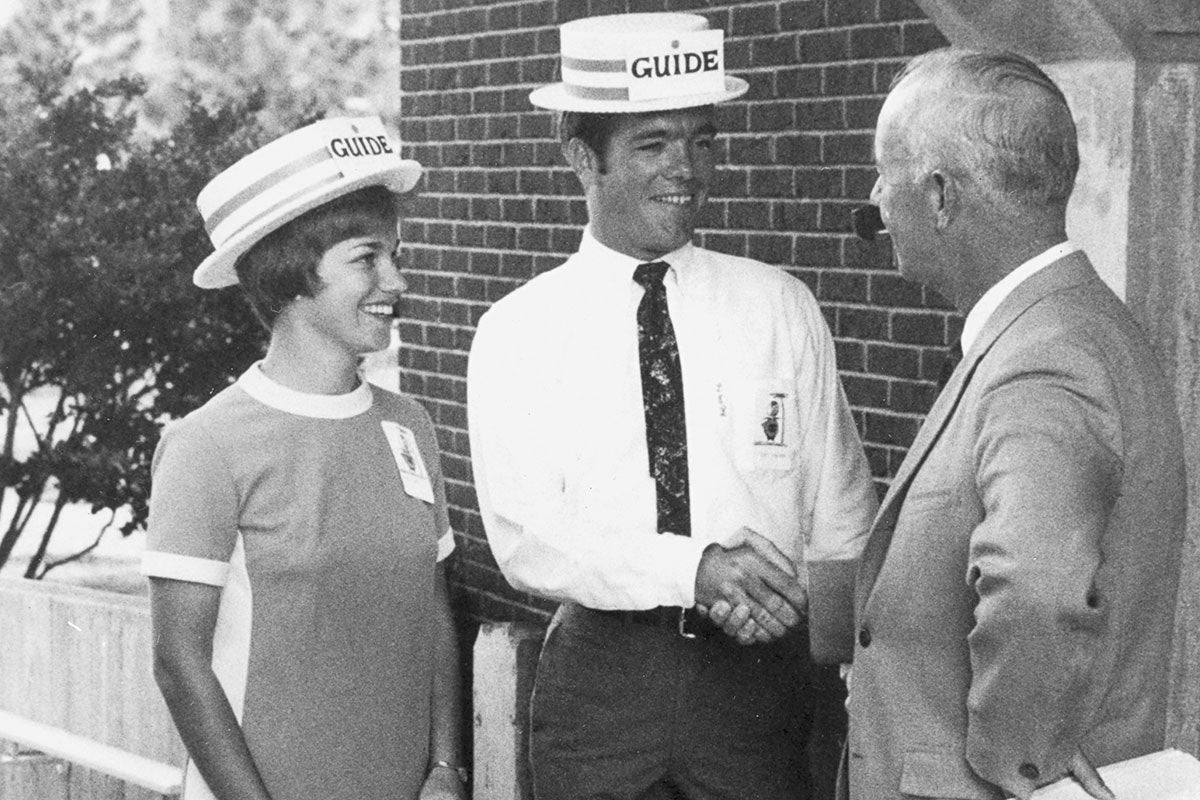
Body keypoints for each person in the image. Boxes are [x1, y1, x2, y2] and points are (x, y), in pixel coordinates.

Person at [467, 12, 878, 800]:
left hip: (760, 679)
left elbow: (841, 514)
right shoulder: (519, 330)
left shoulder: (779, 305)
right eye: (652, 144)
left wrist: (814, 630)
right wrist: (693, 570)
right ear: (582, 157)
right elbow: (527, 536)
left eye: (702, 140)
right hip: (604, 682)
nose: (685, 169)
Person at [845, 48, 1187, 800]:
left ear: (939, 196)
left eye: (885, 172)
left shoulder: (1045, 358)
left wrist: (1018, 762)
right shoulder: (1064, 327)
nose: (875, 196)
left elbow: (1036, 586)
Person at [142, 117, 467, 800]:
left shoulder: (409, 426)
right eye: (367, 258)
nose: (396, 281)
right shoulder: (206, 444)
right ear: (292, 276)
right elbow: (179, 663)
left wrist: (445, 769)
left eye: (395, 255)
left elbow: (431, 610)